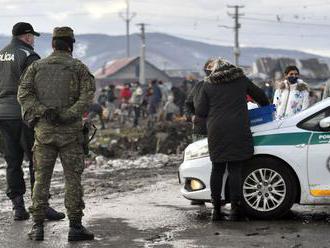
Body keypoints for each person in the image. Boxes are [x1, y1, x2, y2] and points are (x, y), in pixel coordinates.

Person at [18, 26, 95, 241]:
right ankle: (75, 227)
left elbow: (23, 94)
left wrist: (44, 112)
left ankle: (37, 227)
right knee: (73, 180)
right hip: (71, 134)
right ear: (71, 44)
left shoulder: (36, 67)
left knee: (41, 180)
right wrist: (70, 114)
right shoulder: (79, 68)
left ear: (53, 44)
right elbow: (87, 96)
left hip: (44, 133)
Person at [0, 22, 64, 221]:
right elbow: (38, 87)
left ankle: (18, 207)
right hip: (24, 115)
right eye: (32, 36)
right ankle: (41, 206)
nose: (33, 40)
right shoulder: (29, 56)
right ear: (26, 36)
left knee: (12, 161)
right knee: (37, 161)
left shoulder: (1, 54)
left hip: (3, 114)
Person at [195, 58, 269, 221]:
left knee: (218, 168)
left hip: (217, 130)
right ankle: (236, 207)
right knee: (235, 169)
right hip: (238, 128)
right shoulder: (241, 80)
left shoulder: (208, 84)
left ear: (214, 70)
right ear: (232, 68)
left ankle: (216, 208)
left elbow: (201, 110)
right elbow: (261, 96)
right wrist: (265, 108)